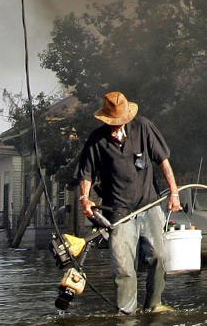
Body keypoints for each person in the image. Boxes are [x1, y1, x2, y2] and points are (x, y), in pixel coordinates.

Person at [75, 91, 182, 314]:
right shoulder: (97, 140)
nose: (117, 126)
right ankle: (126, 313)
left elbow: (163, 161)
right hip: (118, 212)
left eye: (120, 122)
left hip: (148, 205)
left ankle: (154, 304)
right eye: (112, 123)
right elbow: (86, 174)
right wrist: (85, 199)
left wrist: (174, 193)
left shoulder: (143, 127)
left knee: (158, 256)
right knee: (124, 267)